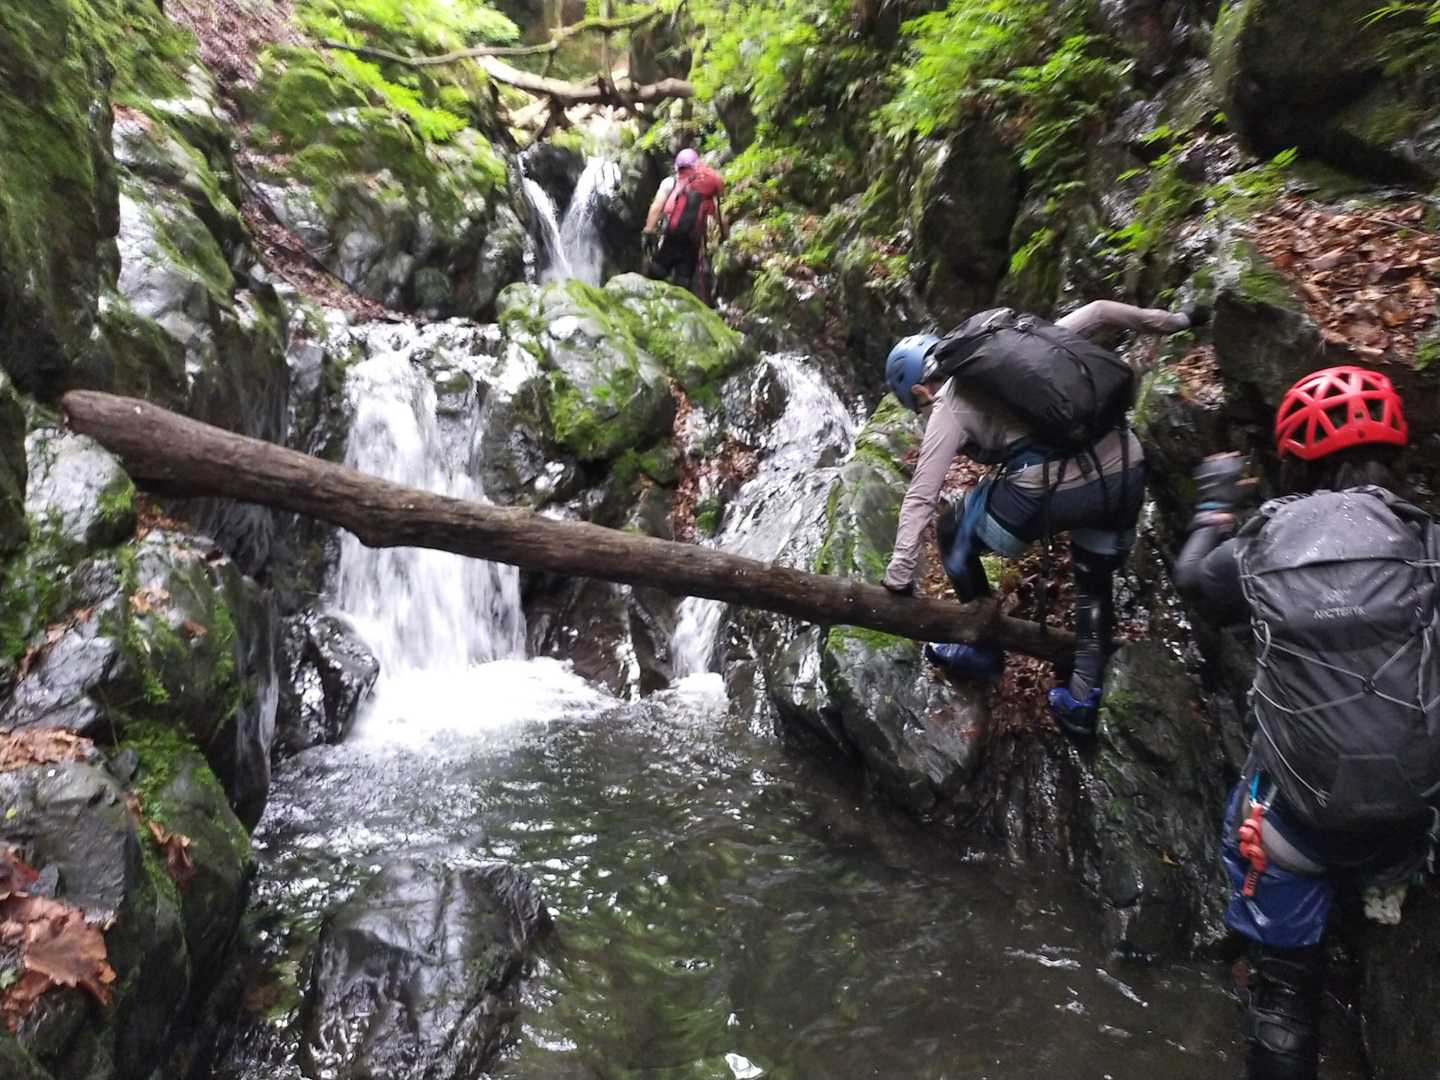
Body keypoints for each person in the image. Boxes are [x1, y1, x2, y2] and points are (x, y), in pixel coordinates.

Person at [1174, 365, 1440, 1080]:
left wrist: (1214, 505)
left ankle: (1276, 974)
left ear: (1291, 461)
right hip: (1412, 816)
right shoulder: (1426, 540)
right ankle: (1386, 882)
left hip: (1299, 829)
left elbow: (1194, 580)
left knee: (1285, 1003)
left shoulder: (1259, 544)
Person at [880, 299, 1205, 736]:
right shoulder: (1025, 352)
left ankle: (983, 649)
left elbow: (922, 495)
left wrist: (900, 575)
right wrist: (1179, 320)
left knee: (952, 529)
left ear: (920, 391)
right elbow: (1099, 311)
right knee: (1093, 583)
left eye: (917, 406)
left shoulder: (948, 402)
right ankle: (1082, 700)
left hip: (1055, 491)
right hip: (1126, 469)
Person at [642, 148, 728, 303]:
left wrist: (648, 231)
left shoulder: (670, 183)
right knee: (682, 286)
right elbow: (721, 217)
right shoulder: (706, 189)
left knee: (655, 275)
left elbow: (656, 208)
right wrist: (726, 238)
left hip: (671, 237)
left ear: (677, 166)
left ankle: (646, 305)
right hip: (692, 243)